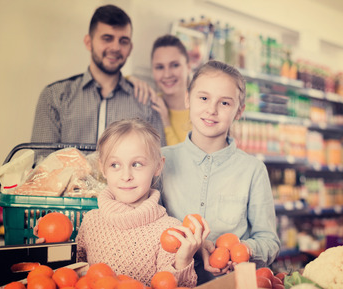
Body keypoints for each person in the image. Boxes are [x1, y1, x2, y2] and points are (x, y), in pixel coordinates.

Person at [160, 60, 281, 285]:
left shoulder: (253, 171)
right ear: (188, 98)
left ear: (239, 111)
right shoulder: (162, 161)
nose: (211, 110)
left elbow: (269, 240)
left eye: (225, 103)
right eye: (203, 98)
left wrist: (242, 250)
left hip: (232, 283)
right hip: (171, 282)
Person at [76, 118, 210, 286]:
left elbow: (175, 285)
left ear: (158, 166)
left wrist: (183, 260)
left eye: (137, 164)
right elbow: (74, 274)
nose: (126, 176)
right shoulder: (90, 222)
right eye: (115, 165)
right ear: (102, 168)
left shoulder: (169, 231)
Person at [31, 5, 165, 146]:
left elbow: (157, 162)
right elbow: (42, 162)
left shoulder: (146, 100)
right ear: (89, 43)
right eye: (107, 38)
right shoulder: (54, 96)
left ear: (130, 48)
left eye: (123, 41)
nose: (115, 48)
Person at [129, 34, 191, 145]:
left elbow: (185, 161)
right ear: (152, 70)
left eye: (175, 65)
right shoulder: (150, 103)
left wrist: (166, 123)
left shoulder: (201, 111)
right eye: (160, 67)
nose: (167, 74)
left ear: (188, 67)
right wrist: (131, 79)